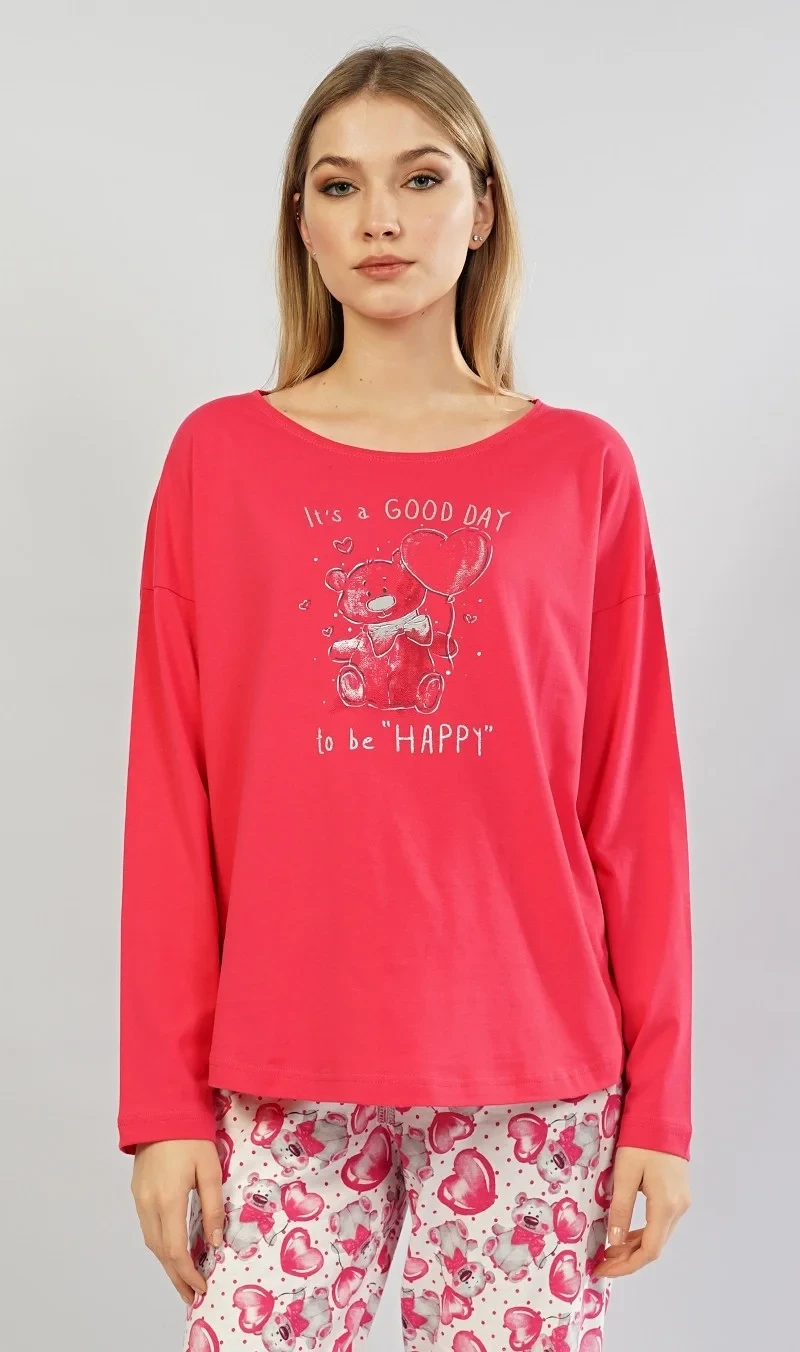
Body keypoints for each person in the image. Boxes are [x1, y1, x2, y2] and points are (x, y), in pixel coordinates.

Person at [117, 39, 692, 1350]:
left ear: (482, 211)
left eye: (421, 178)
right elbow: (171, 798)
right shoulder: (219, 460)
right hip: (278, 1068)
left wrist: (659, 1107)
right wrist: (159, 1104)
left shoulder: (579, 469)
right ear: (303, 224)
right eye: (339, 185)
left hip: (534, 1071)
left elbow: (633, 805)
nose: (380, 216)